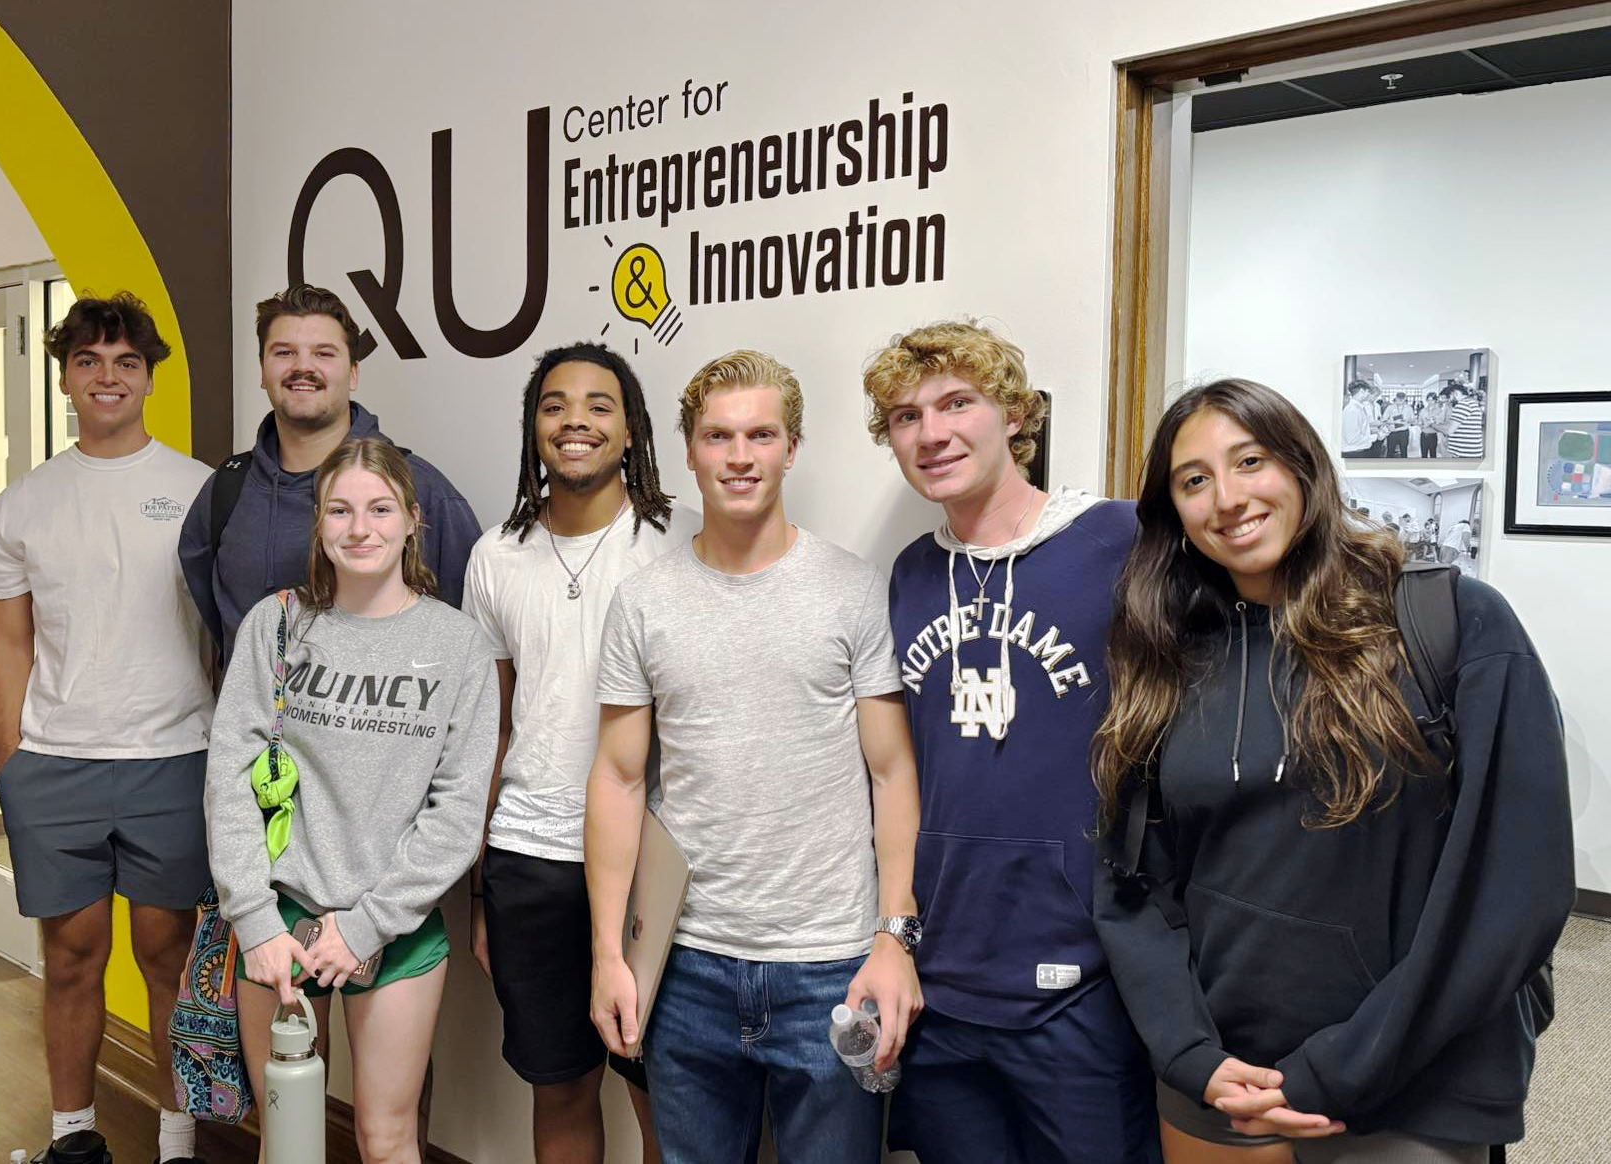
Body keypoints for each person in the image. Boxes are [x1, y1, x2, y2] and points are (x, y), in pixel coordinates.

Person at [1092, 378, 1571, 1164]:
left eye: (1250, 461)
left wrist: (1341, 1069)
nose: (1228, 498)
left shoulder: (1450, 621)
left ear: (1303, 467)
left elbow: (1513, 886)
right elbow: (1134, 883)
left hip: (1412, 1085)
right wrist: (1189, 1056)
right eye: (1194, 480)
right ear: (1172, 513)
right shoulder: (1167, 662)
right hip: (1223, 1082)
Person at [585, 350, 923, 1164]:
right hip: (688, 965)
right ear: (691, 450)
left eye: (761, 435)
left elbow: (893, 771)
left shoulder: (851, 587)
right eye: (719, 436)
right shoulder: (644, 600)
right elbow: (619, 776)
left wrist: (895, 937)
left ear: (792, 447)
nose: (740, 456)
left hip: (832, 967)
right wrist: (608, 955)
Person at [861, 321, 1157, 1163]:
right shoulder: (914, 572)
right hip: (944, 975)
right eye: (907, 417)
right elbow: (903, 770)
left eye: (958, 404)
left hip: (1079, 980)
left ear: (1016, 416)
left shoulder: (1118, 540)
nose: (933, 433)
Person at [205, 437, 498, 1164]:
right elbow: (231, 781)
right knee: (291, 1134)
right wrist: (255, 918)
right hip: (277, 923)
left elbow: (458, 813)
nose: (359, 528)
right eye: (339, 510)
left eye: (378, 509)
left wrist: (367, 926)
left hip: (394, 928)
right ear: (318, 524)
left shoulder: (456, 644)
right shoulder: (274, 627)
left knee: (386, 1137)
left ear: (411, 522)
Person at [0, 294, 215, 1164]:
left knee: (168, 954)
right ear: (67, 377)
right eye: (88, 362)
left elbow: (227, 634)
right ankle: (73, 1139)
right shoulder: (23, 504)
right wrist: (13, 763)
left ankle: (178, 1140)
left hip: (174, 757)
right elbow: (5, 640)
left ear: (148, 376)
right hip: (56, 764)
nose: (106, 377)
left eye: (124, 362)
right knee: (73, 955)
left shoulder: (199, 491)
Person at [462, 342, 697, 1163]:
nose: (575, 422)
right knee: (559, 1087)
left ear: (630, 430)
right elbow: (493, 727)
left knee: (661, 1087)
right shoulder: (495, 556)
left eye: (600, 406)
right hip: (531, 856)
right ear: (534, 429)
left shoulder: (682, 545)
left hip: (652, 862)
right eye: (555, 405)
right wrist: (483, 895)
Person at [179, 284, 482, 667]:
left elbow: (466, 636)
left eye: (324, 354)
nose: (303, 367)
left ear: (353, 373)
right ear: (262, 371)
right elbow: (216, 613)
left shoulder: (418, 487)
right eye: (284, 352)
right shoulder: (228, 487)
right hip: (253, 725)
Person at [1438, 382, 1484, 459]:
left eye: (1450, 396)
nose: (1450, 399)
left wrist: (1432, 425)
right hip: (1469, 453)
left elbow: (1449, 430)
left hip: (1464, 454)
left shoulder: (1463, 405)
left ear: (1455, 393)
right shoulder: (1472, 403)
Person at [1340, 382, 1378, 459]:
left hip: (1359, 451)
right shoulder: (1352, 410)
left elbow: (1359, 429)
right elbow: (1352, 438)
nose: (1368, 395)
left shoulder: (1359, 408)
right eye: (1368, 392)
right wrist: (1375, 436)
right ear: (1361, 391)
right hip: (1354, 453)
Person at [1417, 392, 1444, 459]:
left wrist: (1433, 422)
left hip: (1433, 436)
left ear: (1435, 400)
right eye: (1428, 400)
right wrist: (1421, 424)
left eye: (1432, 400)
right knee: (1423, 455)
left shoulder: (1439, 411)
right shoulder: (1423, 411)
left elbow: (1441, 422)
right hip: (1423, 435)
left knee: (1433, 455)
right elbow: (1419, 421)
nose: (1430, 402)